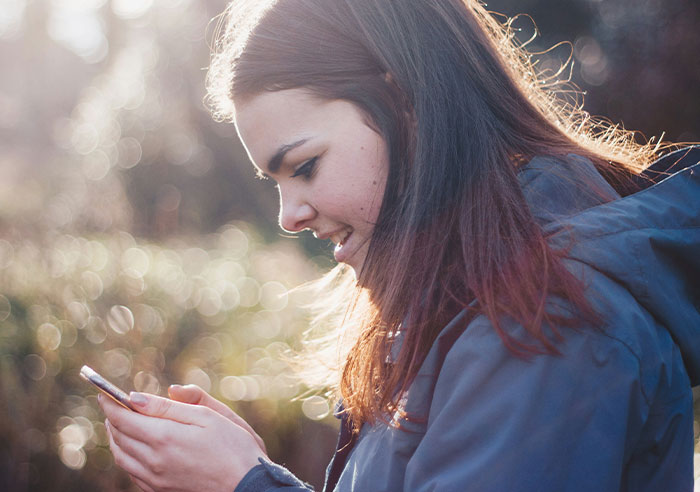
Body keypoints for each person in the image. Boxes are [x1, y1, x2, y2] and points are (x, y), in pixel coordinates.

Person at [98, 0, 700, 490]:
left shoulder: (546, 318)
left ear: (404, 104)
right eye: (275, 182)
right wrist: (249, 475)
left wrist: (243, 485)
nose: (288, 216)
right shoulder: (470, 298)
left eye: (304, 167)